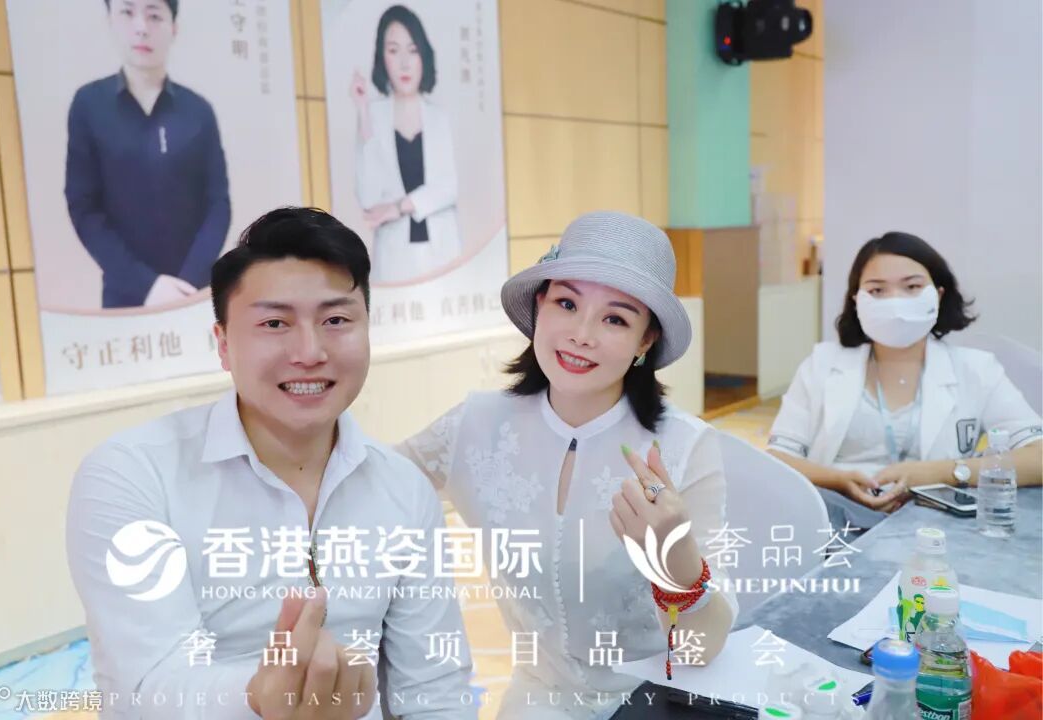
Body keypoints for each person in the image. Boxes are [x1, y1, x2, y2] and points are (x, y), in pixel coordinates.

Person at [66, 208, 475, 719]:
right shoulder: (133, 475)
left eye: (336, 320)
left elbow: (436, 689)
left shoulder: (403, 490)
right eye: (274, 323)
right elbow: (146, 685)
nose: (309, 351)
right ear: (223, 344)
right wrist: (260, 696)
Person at [399, 212, 737, 719]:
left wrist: (677, 563)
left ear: (646, 340)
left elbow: (701, 650)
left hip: (653, 700)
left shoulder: (685, 447)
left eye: (615, 319)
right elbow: (370, 486)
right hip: (537, 701)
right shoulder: (476, 425)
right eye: (567, 303)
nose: (581, 334)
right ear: (540, 305)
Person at [768, 231, 1042, 531]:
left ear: (938, 295)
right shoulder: (822, 364)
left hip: (936, 528)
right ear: (856, 300)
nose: (895, 302)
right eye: (877, 290)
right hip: (835, 520)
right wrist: (838, 480)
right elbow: (778, 459)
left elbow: (1038, 457)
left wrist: (945, 472)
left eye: (912, 287)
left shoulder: (976, 369)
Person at [65, 0, 231, 309]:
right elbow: (84, 207)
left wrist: (188, 284)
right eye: (127, 12)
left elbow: (218, 203)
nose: (141, 27)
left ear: (174, 27)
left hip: (195, 292)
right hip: (125, 296)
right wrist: (146, 285)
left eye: (154, 15)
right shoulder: (89, 105)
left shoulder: (199, 111)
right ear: (110, 20)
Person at [350, 4, 460, 284]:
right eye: (393, 50)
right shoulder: (372, 115)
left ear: (423, 55)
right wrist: (362, 111)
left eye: (412, 50)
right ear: (382, 57)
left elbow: (448, 188)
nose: (404, 63)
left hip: (442, 252)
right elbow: (369, 198)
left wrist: (399, 207)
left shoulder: (439, 117)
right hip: (394, 257)